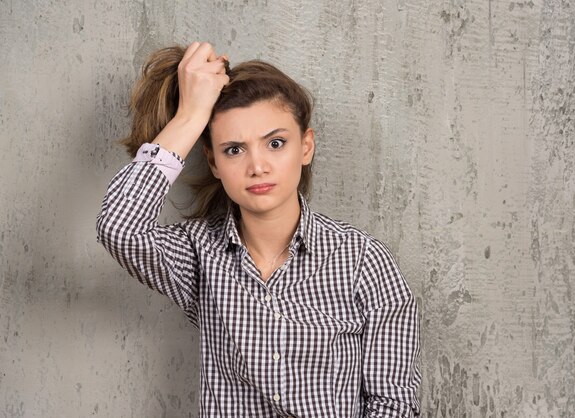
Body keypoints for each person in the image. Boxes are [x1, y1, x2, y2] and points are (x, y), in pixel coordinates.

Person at [96, 41, 421, 417]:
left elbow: (393, 405)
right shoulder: (199, 255)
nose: (258, 166)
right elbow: (120, 228)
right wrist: (190, 117)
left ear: (306, 147)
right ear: (214, 163)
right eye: (234, 149)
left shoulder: (365, 262)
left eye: (276, 143)